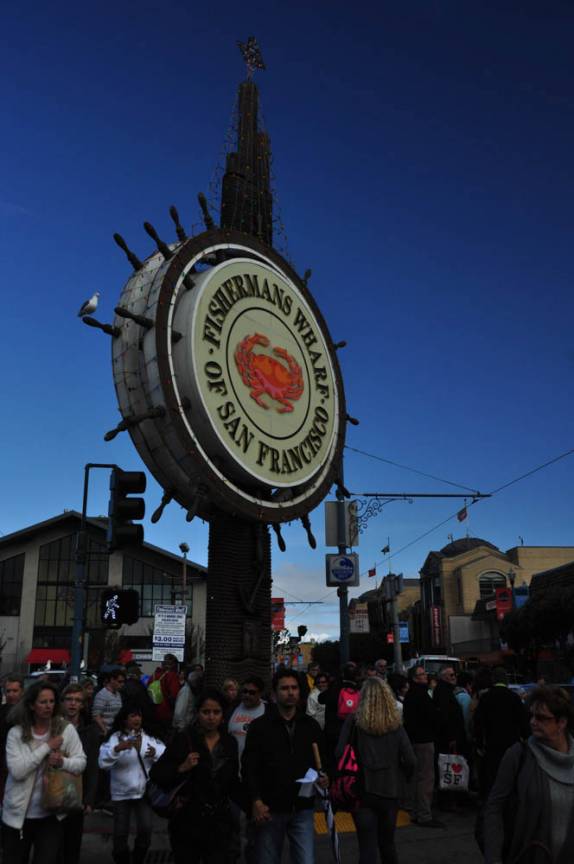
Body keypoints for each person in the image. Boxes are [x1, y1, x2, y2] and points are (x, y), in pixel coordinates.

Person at [243, 668, 328, 864]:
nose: (290, 692)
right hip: (270, 809)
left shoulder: (310, 726)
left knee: (306, 860)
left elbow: (323, 761)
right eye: (284, 688)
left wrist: (325, 776)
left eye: (294, 688)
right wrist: (256, 800)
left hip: (303, 808)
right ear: (274, 694)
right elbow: (249, 767)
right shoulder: (260, 727)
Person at [150, 689, 243, 864]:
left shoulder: (229, 743)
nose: (211, 717)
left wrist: (254, 803)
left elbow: (232, 783)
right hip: (187, 820)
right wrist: (181, 768)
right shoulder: (184, 739)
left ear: (223, 715)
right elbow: (157, 773)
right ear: (198, 714)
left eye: (216, 712)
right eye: (206, 712)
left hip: (219, 822)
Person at [483, 686, 574, 864]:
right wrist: (493, 859)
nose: (533, 722)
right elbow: (494, 808)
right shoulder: (519, 756)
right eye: (531, 715)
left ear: (561, 722)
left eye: (541, 718)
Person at [1, 681, 86, 864]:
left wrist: (63, 761)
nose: (48, 706)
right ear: (31, 705)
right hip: (18, 817)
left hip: (51, 813)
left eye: (52, 701)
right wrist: (47, 747)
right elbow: (17, 771)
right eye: (42, 702)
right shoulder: (16, 734)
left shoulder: (65, 730)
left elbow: (81, 763)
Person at [337, 678, 415, 864]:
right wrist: (405, 777)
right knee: (388, 845)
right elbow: (411, 759)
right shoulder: (395, 724)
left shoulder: (354, 721)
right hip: (390, 791)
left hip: (362, 791)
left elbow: (339, 752)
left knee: (367, 847)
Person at [99, 704, 165, 864]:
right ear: (124, 719)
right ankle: (121, 859)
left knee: (146, 829)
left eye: (139, 716)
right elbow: (102, 763)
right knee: (120, 832)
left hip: (143, 793)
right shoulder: (115, 737)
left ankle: (138, 858)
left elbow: (165, 753)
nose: (137, 719)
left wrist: (155, 754)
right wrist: (117, 749)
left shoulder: (149, 737)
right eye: (132, 716)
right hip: (121, 794)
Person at [59, 683, 101, 864]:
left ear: (83, 704)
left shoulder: (90, 731)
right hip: (53, 790)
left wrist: (90, 799)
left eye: (77, 700)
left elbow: (92, 766)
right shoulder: (52, 726)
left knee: (72, 843)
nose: (73, 704)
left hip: (77, 792)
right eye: (69, 699)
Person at [473, 666, 529, 799]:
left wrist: (480, 743)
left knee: (494, 778)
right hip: (512, 744)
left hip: (493, 745)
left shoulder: (486, 698)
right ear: (506, 681)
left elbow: (478, 723)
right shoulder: (514, 698)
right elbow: (524, 722)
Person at [403, 665, 444, 828]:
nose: (425, 676)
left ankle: (415, 811)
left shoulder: (410, 695)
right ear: (414, 678)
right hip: (424, 740)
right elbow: (432, 716)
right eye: (422, 674)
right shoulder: (422, 695)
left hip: (413, 740)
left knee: (415, 778)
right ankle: (424, 814)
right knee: (426, 778)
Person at [318, 662, 360, 772]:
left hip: (334, 731)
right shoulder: (359, 689)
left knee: (334, 763)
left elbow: (321, 699)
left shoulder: (335, 687)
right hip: (353, 733)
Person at [228, 676, 266, 761]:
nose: (247, 695)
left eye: (252, 692)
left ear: (260, 693)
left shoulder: (268, 710)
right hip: (233, 765)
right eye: (244, 691)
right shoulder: (233, 708)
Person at [0, 675, 25, 803]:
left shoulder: (29, 711)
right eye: (8, 691)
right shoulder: (2, 711)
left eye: (15, 691)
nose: (11, 694)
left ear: (22, 691)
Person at [148, 654, 181, 727]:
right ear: (173, 664)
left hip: (152, 711)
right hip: (166, 713)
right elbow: (174, 695)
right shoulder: (172, 676)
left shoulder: (153, 675)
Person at [93, 669, 126, 735]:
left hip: (115, 731)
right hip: (105, 731)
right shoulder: (102, 694)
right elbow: (96, 716)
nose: (122, 684)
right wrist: (104, 730)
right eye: (119, 682)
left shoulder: (118, 694)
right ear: (112, 680)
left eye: (123, 682)